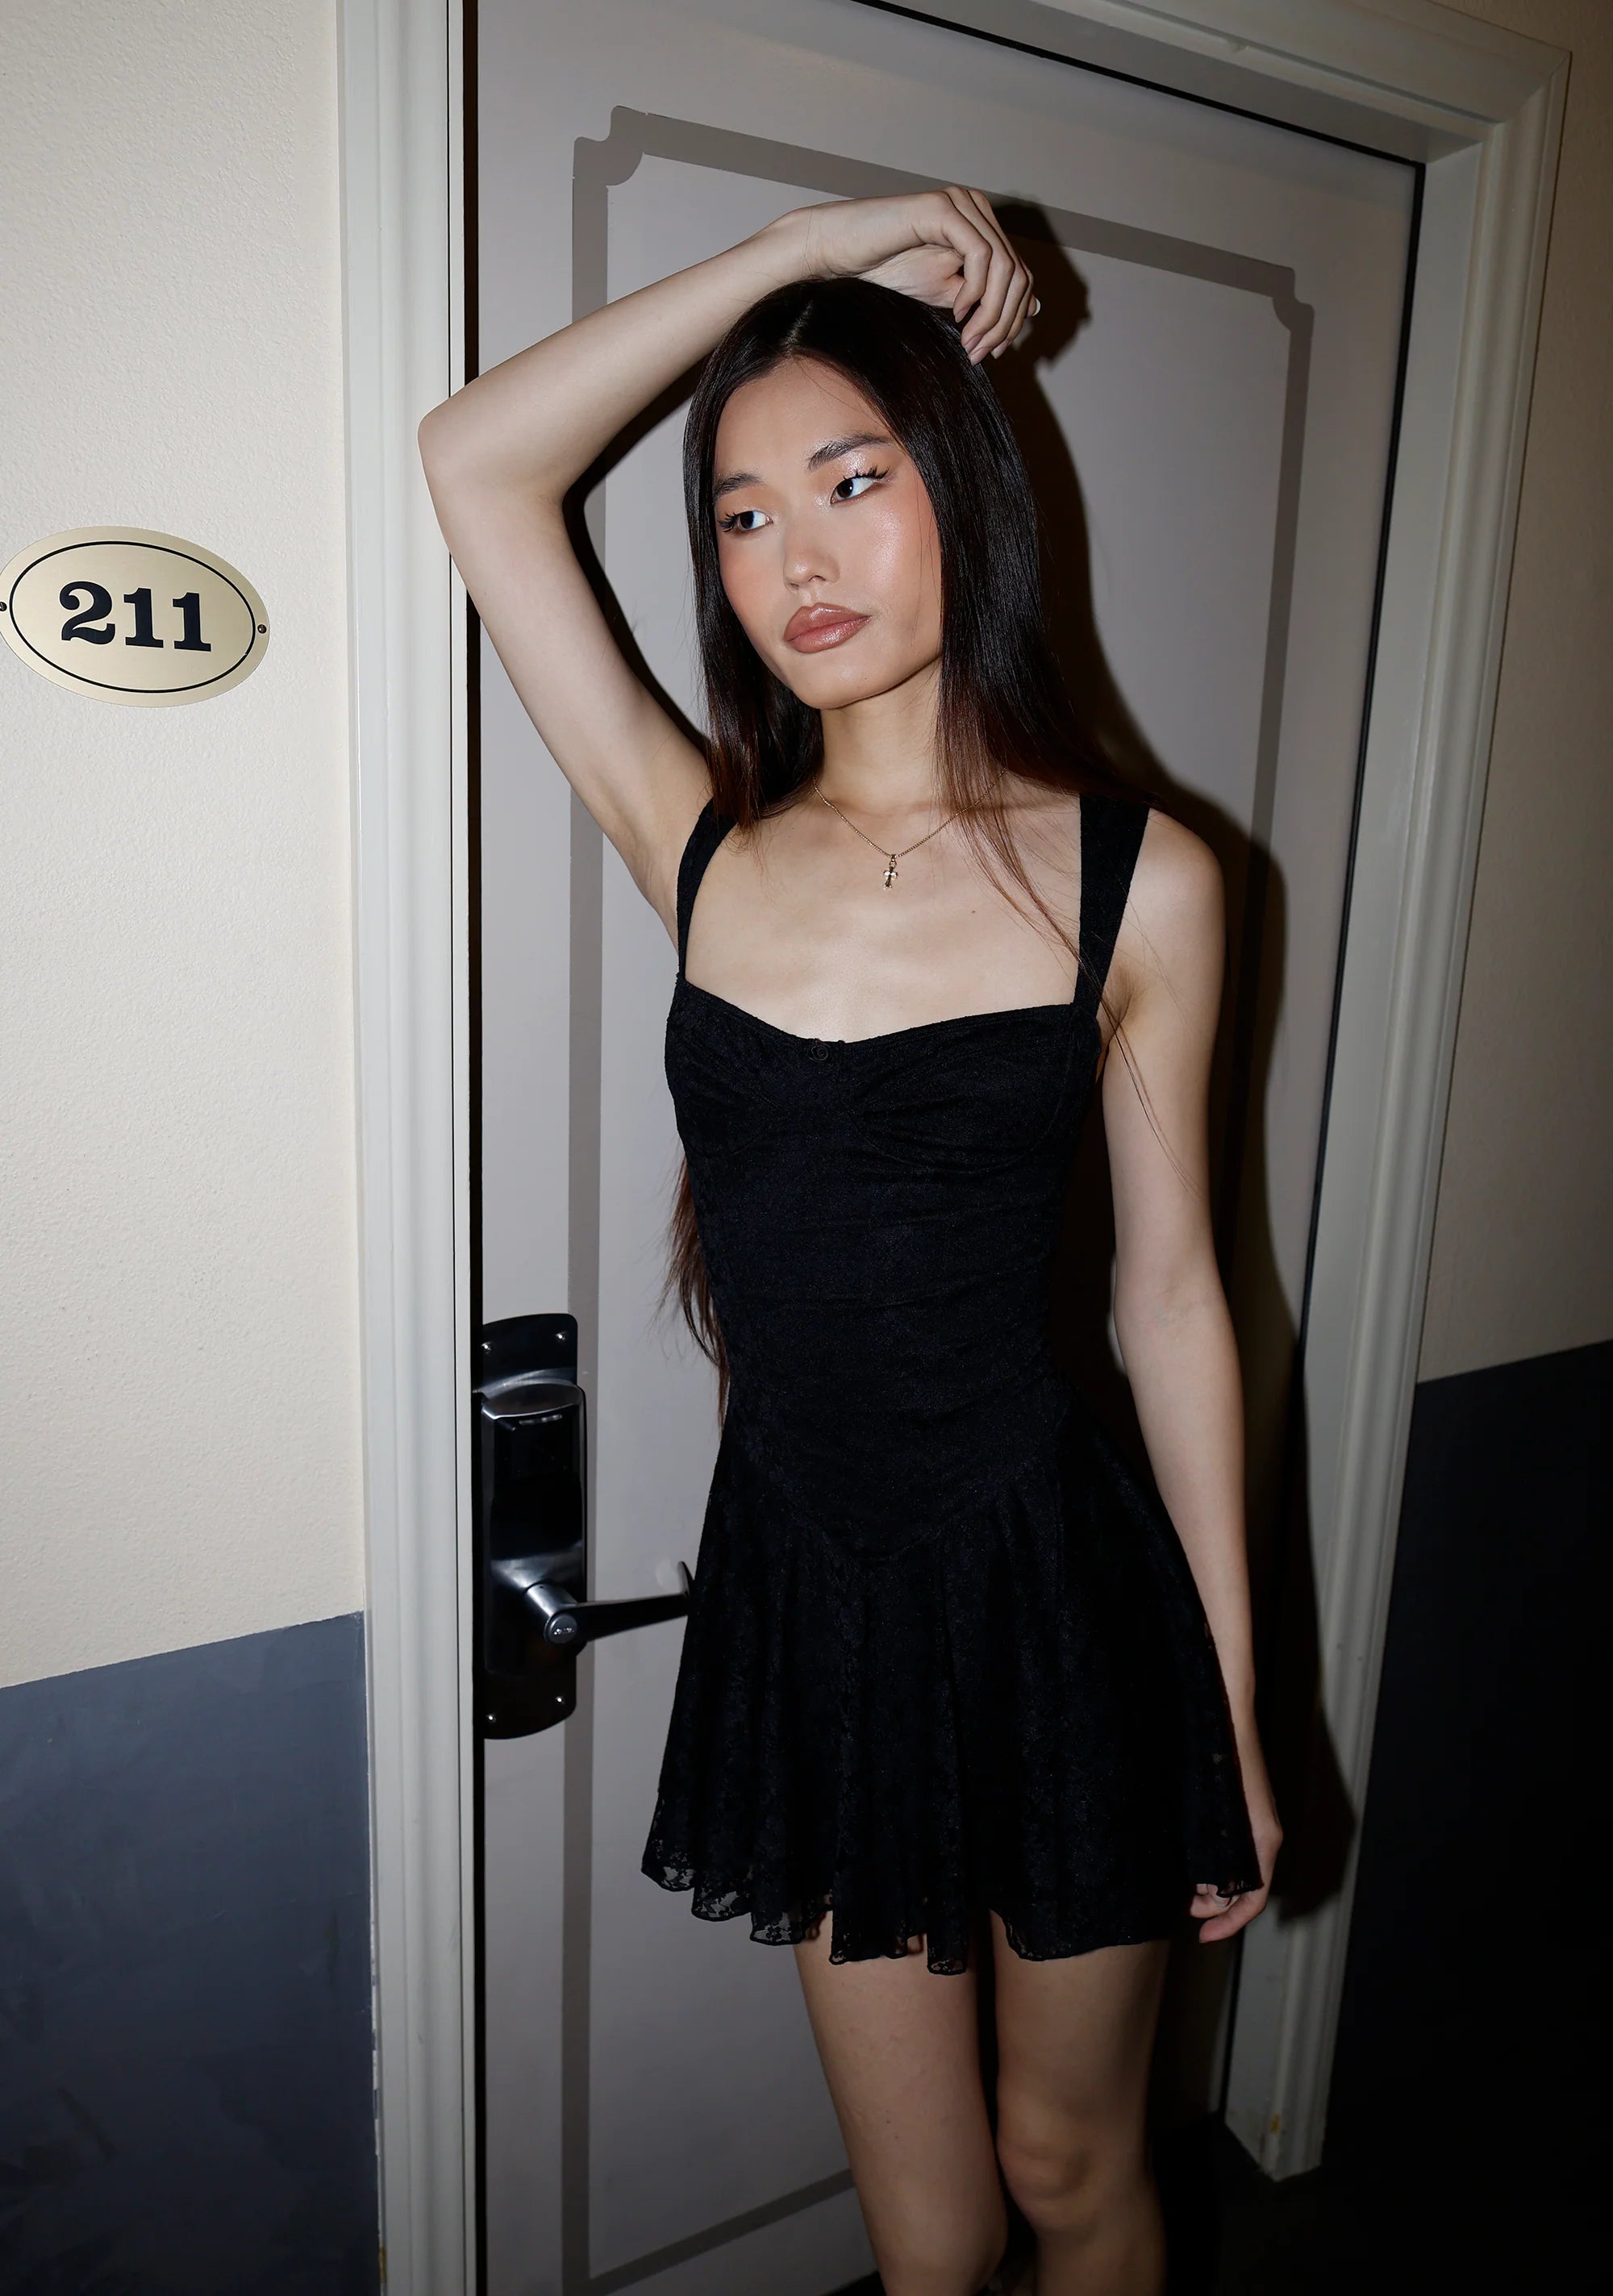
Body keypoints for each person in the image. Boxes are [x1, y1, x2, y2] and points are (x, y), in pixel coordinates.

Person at [419, 186, 1280, 2296]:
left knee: (1070, 2169)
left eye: (852, 481)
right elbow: (476, 464)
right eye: (739, 515)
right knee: (929, 2234)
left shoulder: (1141, 879)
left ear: (963, 492)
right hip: (811, 1609)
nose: (795, 558)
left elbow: (1176, 1299)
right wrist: (808, 248)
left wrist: (1238, 1718)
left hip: (1067, 1608)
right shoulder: (700, 844)